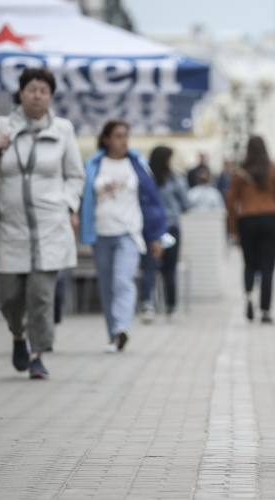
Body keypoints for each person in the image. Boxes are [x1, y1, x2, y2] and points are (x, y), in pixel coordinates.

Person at [0, 67, 85, 379]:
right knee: (9, 296)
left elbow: (76, 175)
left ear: (51, 96)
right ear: (21, 93)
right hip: (10, 225)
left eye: (44, 91)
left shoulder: (63, 129)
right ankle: (18, 336)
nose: (38, 96)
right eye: (32, 90)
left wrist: (66, 203)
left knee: (41, 296)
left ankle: (38, 355)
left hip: (50, 225)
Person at [79, 120, 168, 352]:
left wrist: (157, 235)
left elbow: (152, 201)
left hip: (129, 233)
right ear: (107, 139)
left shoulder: (138, 164)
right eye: (118, 136)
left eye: (126, 136)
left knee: (123, 280)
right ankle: (113, 335)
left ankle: (122, 327)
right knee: (107, 285)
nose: (123, 140)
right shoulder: (94, 164)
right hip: (100, 233)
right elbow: (83, 195)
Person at [226, 136, 275, 323]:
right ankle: (265, 311)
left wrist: (232, 228)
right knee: (268, 267)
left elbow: (231, 202)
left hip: (247, 220)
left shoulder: (240, 173)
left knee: (248, 264)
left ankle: (248, 297)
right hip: (271, 219)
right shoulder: (273, 171)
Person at [139, 146, 191, 322]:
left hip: (150, 228)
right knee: (169, 269)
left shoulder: (146, 179)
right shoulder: (175, 178)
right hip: (171, 228)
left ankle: (148, 305)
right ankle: (171, 307)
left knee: (149, 267)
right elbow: (186, 204)